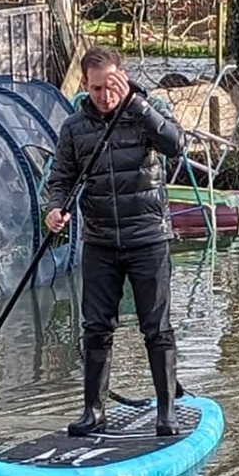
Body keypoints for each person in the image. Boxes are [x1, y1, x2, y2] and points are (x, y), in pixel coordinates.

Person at [44, 45, 186, 438]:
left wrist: (136, 105)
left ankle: (167, 412)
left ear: (121, 77)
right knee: (95, 328)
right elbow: (62, 178)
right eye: (95, 90)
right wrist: (55, 208)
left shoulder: (147, 111)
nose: (103, 97)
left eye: (110, 87)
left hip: (148, 239)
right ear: (85, 88)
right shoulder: (74, 127)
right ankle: (93, 411)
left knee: (156, 327)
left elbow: (176, 144)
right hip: (100, 242)